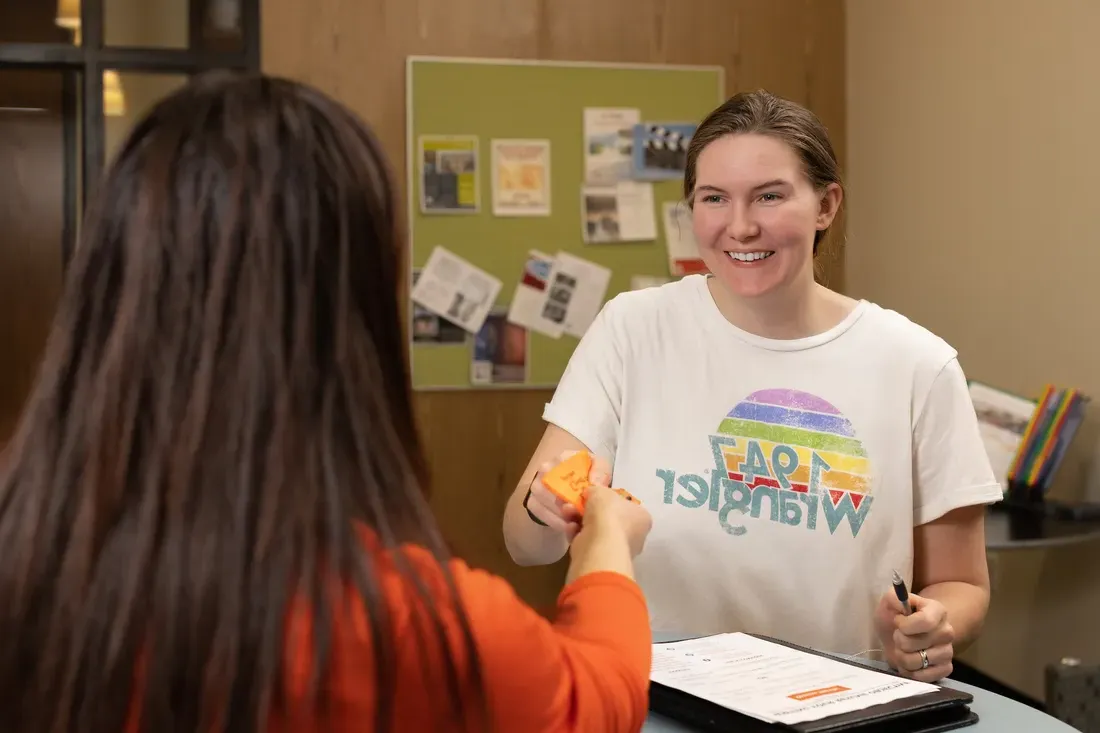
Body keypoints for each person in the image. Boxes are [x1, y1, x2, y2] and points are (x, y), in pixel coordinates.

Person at [0, 71, 654, 733]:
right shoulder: (405, 621)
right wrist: (604, 540)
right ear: (354, 316)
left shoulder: (30, 563)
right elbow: (601, 698)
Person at [503, 89, 1001, 683]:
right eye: (715, 198)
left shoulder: (918, 365)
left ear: (826, 204)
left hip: (834, 702)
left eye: (769, 196)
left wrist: (934, 625)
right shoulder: (632, 329)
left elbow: (963, 583)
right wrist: (542, 514)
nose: (740, 227)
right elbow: (525, 545)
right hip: (655, 694)